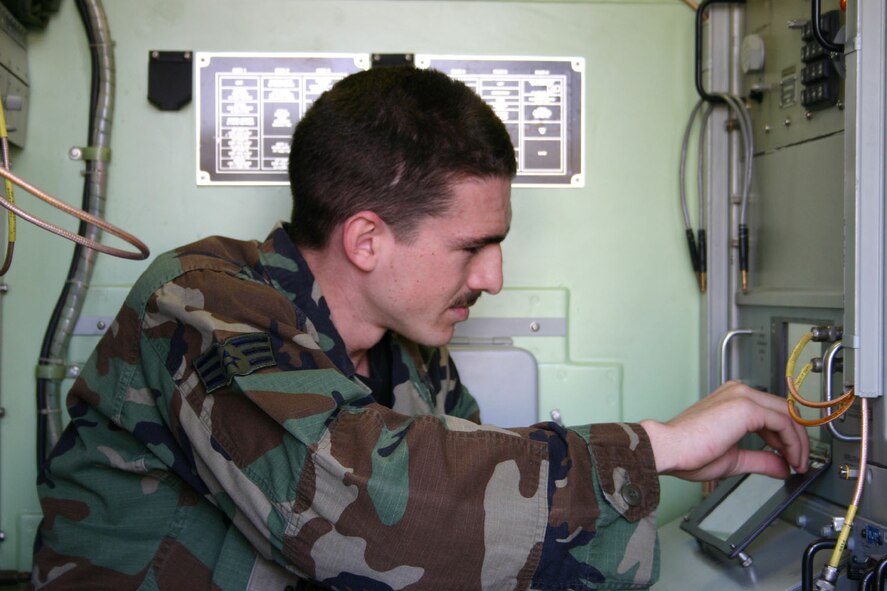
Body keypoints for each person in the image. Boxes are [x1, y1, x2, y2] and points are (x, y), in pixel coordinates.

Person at [30, 66, 808, 591]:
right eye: (473, 247)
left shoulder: (415, 358)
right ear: (367, 240)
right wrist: (656, 448)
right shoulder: (198, 302)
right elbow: (361, 507)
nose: (493, 278)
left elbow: (473, 516)